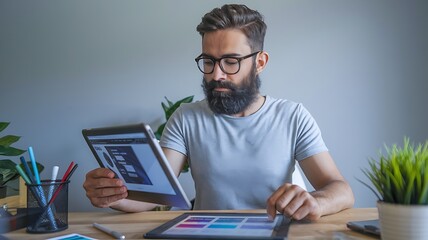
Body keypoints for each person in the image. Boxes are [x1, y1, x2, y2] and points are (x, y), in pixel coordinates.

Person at [83, 4, 354, 221]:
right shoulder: (185, 118)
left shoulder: (293, 116)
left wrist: (316, 202)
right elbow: (156, 196)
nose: (217, 74)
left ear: (260, 62)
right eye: (209, 61)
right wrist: (114, 196)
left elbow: (340, 189)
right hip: (207, 232)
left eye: (231, 62)